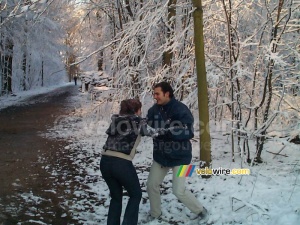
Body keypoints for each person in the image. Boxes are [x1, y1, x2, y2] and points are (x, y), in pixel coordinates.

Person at [146, 81, 207, 221]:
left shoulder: (181, 109)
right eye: (154, 93)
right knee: (151, 185)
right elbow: (147, 125)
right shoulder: (154, 110)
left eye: (157, 94)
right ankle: (155, 214)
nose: (155, 97)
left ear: (167, 94)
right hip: (161, 156)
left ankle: (202, 211)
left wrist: (169, 132)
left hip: (182, 158)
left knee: (178, 191)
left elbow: (189, 132)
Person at [100, 99, 144, 225]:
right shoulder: (138, 122)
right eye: (140, 109)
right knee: (136, 194)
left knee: (116, 197)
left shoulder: (117, 120)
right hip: (121, 164)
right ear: (135, 111)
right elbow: (156, 132)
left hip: (105, 162)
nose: (141, 112)